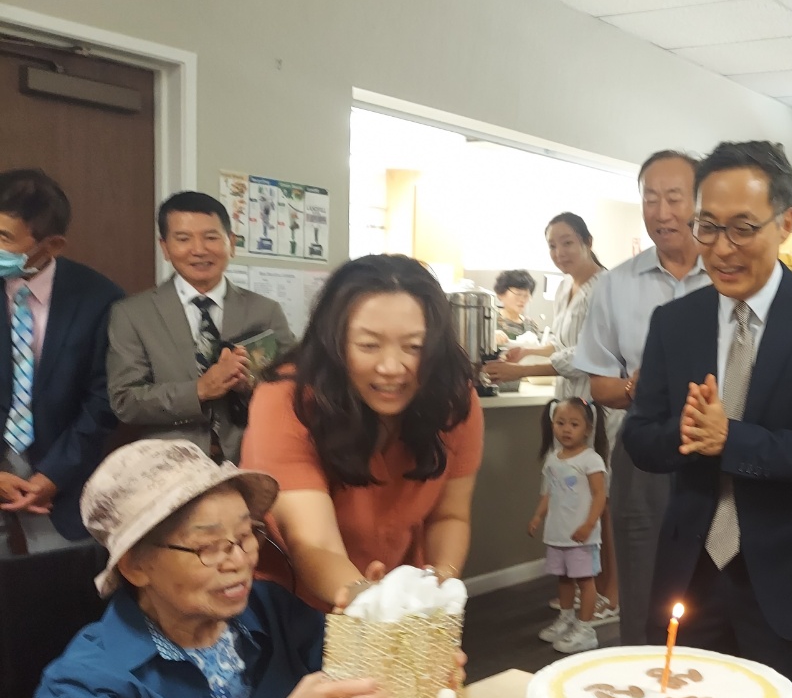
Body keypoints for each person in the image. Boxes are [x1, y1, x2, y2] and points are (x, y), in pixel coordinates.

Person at [624, 141, 792, 698]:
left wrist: (732, 439)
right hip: (692, 576)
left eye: (743, 227)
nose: (722, 247)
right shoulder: (675, 323)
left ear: (785, 223)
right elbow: (641, 438)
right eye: (708, 226)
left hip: (789, 581)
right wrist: (687, 434)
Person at [33, 439, 388, 698]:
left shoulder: (270, 608)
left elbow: (349, 681)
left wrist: (379, 642)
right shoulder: (78, 684)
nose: (239, 561)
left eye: (246, 536)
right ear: (136, 567)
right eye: (208, 546)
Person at [241, 255, 483, 611]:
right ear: (334, 343)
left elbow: (449, 517)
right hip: (290, 603)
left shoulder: (452, 399)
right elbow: (314, 542)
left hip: (393, 597)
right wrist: (371, 604)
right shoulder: (286, 399)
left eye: (414, 347)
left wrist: (435, 593)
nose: (391, 367)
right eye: (369, 345)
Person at [574, 152, 709, 645]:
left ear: (699, 203)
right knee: (643, 591)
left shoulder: (729, 275)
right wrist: (642, 387)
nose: (662, 212)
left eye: (674, 198)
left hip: (717, 449)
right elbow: (600, 385)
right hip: (644, 453)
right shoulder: (615, 284)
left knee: (711, 591)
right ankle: (639, 677)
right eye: (650, 199)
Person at [483, 212, 617, 620]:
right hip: (568, 402)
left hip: (595, 403)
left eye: (568, 243)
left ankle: (611, 594)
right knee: (572, 498)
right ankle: (584, 587)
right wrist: (528, 350)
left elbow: (586, 355)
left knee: (600, 498)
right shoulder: (564, 287)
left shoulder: (604, 288)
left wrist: (520, 372)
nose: (560, 252)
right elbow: (559, 343)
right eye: (553, 245)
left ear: (587, 242)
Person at [107, 191, 296, 464]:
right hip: (170, 466)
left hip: (252, 459)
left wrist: (252, 385)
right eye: (183, 239)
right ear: (165, 248)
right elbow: (125, 401)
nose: (199, 249)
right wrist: (199, 390)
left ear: (231, 243)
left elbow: (294, 389)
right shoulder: (132, 314)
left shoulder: (265, 311)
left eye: (211, 237)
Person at [0, 168, 123, 552]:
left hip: (61, 480)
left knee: (58, 581)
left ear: (52, 245)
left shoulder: (100, 298)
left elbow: (103, 399)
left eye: (4, 237)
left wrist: (54, 474)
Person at [530, 398, 609, 654]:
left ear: (587, 429)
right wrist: (538, 516)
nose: (566, 429)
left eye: (574, 424)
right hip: (558, 534)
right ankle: (566, 620)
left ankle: (585, 629)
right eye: (560, 423)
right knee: (563, 579)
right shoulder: (553, 459)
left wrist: (589, 524)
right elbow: (549, 492)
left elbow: (599, 495)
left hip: (581, 537)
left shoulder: (591, 460)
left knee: (585, 581)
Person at [493, 269, 541, 343]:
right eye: (518, 294)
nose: (522, 300)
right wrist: (491, 336)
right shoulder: (490, 319)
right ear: (500, 294)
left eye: (526, 295)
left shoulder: (531, 326)